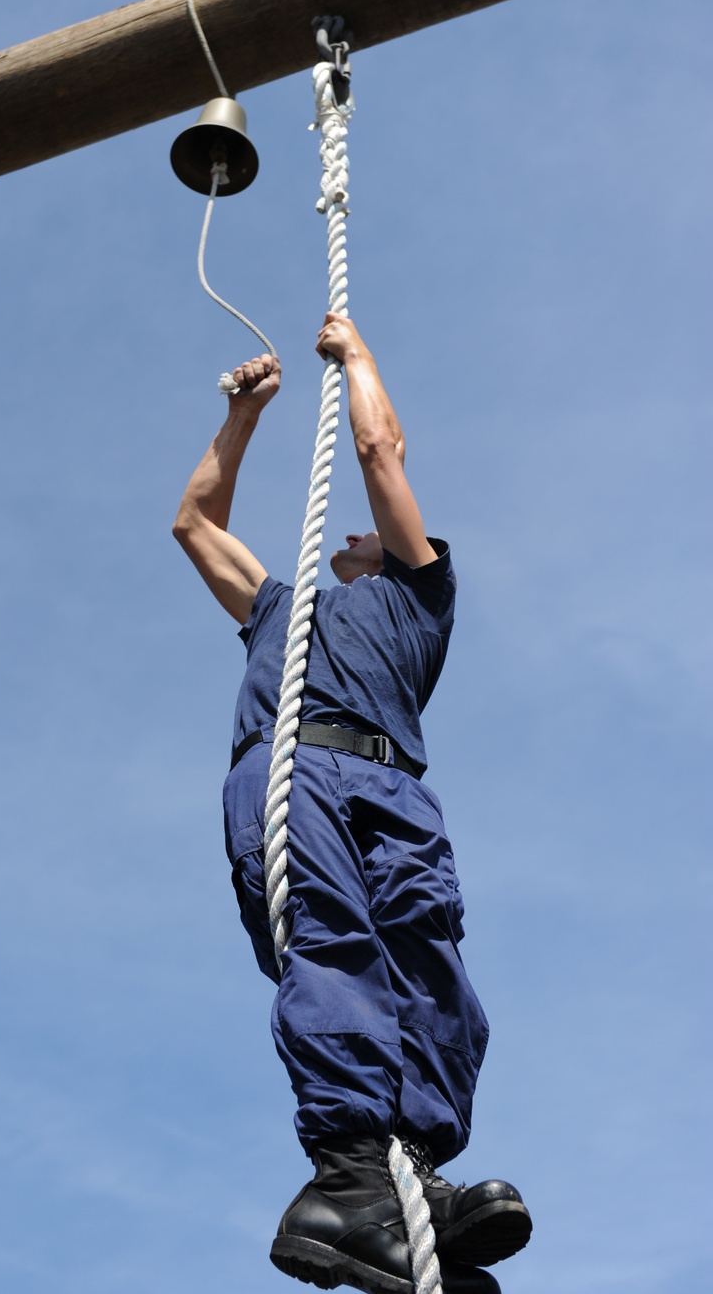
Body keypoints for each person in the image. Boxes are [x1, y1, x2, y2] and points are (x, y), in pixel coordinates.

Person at [173, 312, 532, 1294]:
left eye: (374, 528)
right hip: (298, 768)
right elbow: (195, 526)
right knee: (335, 945)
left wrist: (359, 357)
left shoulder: (419, 593)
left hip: (392, 789)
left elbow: (378, 446)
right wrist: (243, 418)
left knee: (429, 969)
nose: (352, 530)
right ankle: (347, 1181)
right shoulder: (278, 613)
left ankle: (410, 1186)